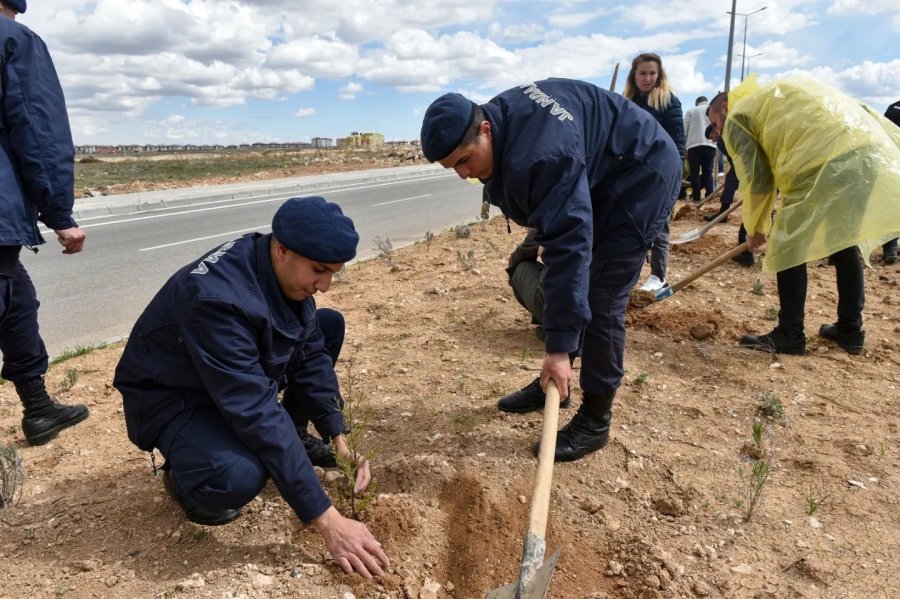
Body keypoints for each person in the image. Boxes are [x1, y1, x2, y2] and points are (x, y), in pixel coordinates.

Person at [113, 197, 389, 579]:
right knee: (236, 476)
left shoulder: (281, 272)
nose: (325, 285)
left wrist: (338, 432)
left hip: (225, 377)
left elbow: (309, 355)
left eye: (333, 273)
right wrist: (328, 521)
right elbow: (255, 409)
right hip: (174, 395)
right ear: (281, 250)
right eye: (319, 271)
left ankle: (291, 438)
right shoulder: (218, 301)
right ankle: (185, 478)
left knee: (326, 326)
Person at [420, 79, 681, 461]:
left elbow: (570, 242)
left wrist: (558, 346)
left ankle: (595, 418)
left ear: (485, 129)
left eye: (464, 160)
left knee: (602, 296)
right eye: (451, 167)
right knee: (580, 280)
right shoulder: (501, 122)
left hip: (642, 174)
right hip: (604, 169)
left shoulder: (542, 154)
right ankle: (554, 387)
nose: (463, 175)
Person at [706, 76, 900, 356]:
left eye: (715, 122)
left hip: (824, 163)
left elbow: (758, 179)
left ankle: (790, 333)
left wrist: (756, 227)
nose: (718, 130)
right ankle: (850, 330)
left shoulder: (738, 114)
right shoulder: (769, 98)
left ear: (724, 105)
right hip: (862, 155)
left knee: (787, 246)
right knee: (844, 243)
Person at [0, 0, 90, 446]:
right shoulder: (13, 39)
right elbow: (37, 130)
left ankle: (38, 408)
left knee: (16, 301)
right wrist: (60, 214)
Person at [622, 53, 686, 292]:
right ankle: (629, 273)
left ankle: (659, 276)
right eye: (642, 73)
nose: (647, 78)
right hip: (634, 172)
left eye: (652, 73)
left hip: (661, 171)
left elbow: (678, 140)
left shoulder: (669, 102)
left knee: (659, 225)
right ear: (634, 76)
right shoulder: (627, 103)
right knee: (633, 224)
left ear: (659, 75)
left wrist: (676, 172)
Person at [704, 123, 753, 267]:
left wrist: (738, 172)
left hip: (744, 167)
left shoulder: (721, 140)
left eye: (711, 137)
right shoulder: (729, 133)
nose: (712, 140)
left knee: (751, 207)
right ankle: (723, 213)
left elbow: (735, 157)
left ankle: (745, 248)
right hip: (743, 166)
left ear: (714, 130)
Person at [684, 97, 718, 204]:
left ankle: (696, 197)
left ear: (696, 103)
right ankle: (709, 196)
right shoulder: (713, 110)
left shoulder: (691, 111)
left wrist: (684, 148)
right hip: (710, 144)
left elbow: (684, 129)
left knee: (694, 172)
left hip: (693, 145)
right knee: (708, 172)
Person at [881, 100, 900, 265]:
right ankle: (891, 248)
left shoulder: (893, 108)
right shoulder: (895, 108)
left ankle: (891, 248)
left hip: (890, 164)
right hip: (893, 163)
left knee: (892, 205)